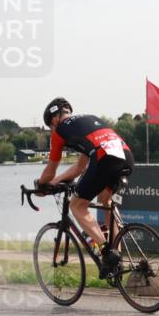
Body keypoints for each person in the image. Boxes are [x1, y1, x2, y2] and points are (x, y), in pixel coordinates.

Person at [36, 97, 134, 275]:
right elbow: (80, 167)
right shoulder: (89, 120)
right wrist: (57, 181)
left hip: (104, 158)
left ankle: (105, 251)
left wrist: (41, 185)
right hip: (126, 155)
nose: (52, 129)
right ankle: (116, 258)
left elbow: (50, 171)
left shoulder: (59, 132)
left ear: (54, 119)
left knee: (77, 205)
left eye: (51, 126)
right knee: (106, 203)